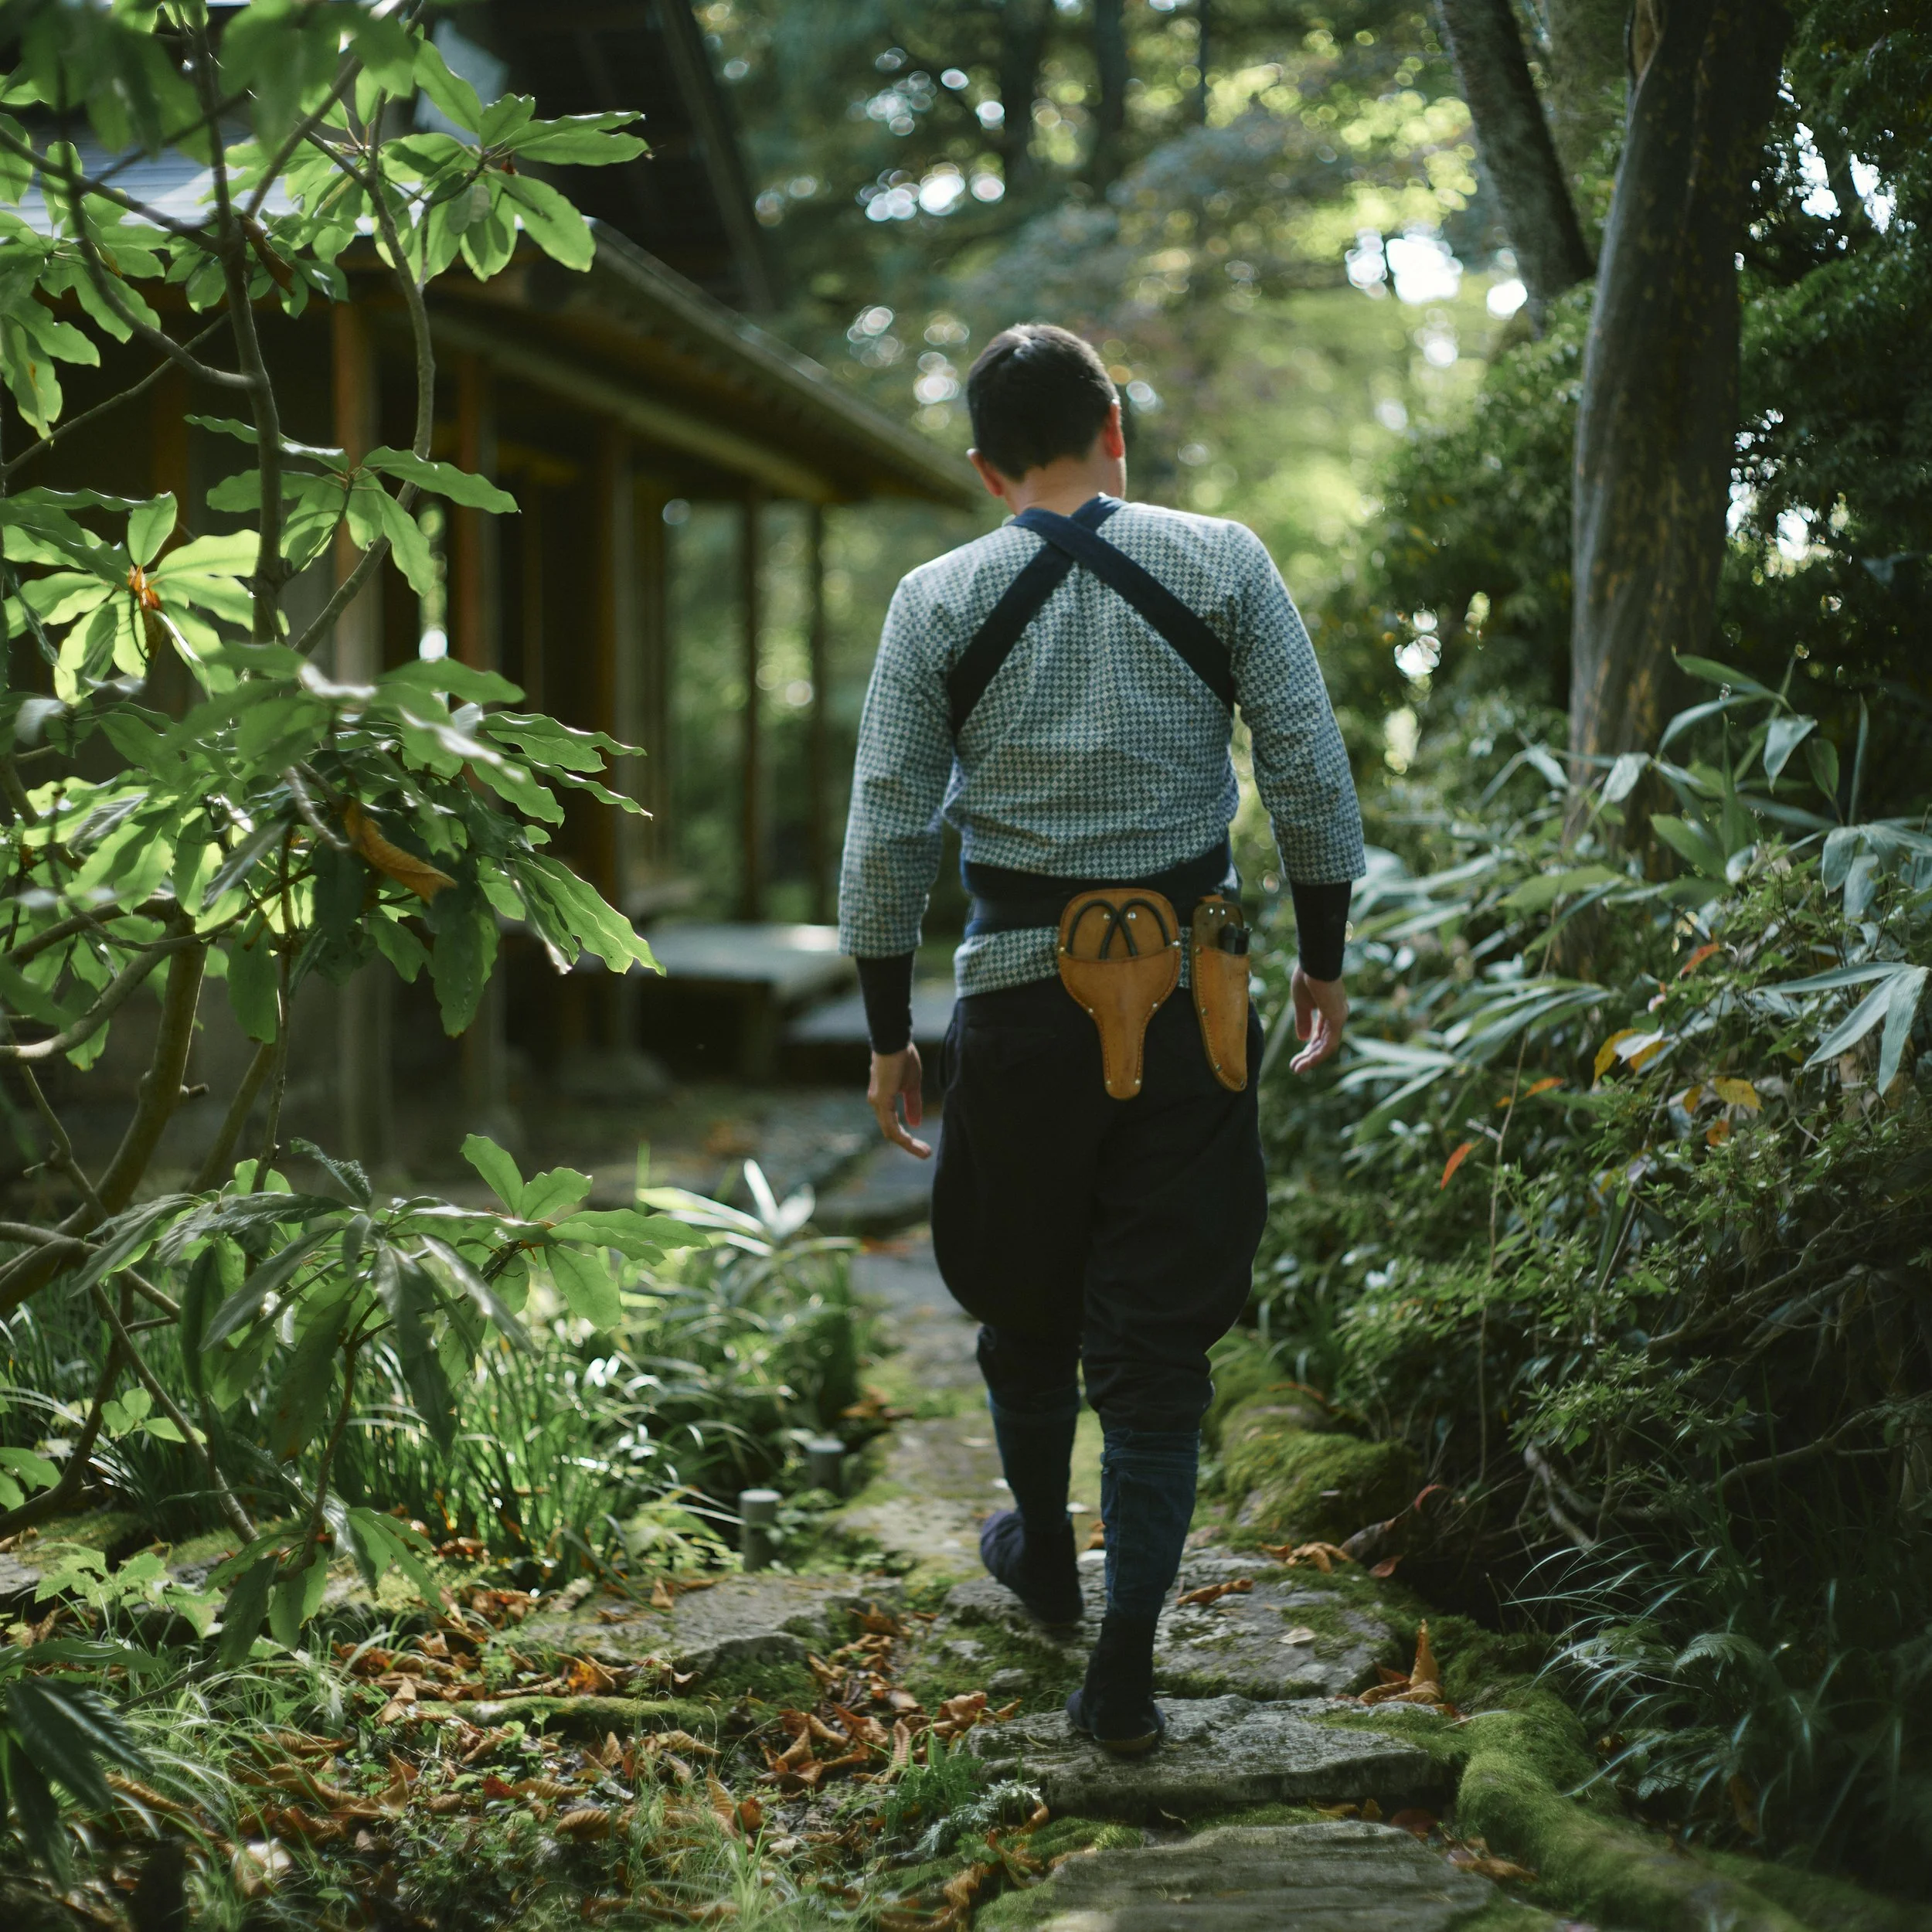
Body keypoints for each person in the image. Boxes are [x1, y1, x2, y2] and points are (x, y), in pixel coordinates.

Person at [836, 323, 1362, 1754]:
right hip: (1200, 994)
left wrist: (892, 1030)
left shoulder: (937, 600)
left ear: (985, 467)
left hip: (1016, 1000)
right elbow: (1307, 767)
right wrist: (1321, 959)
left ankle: (1051, 1567)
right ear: (1113, 423)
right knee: (1158, 1345)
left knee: (1024, 1303)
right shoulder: (1226, 559)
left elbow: (886, 825)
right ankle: (1123, 1666)